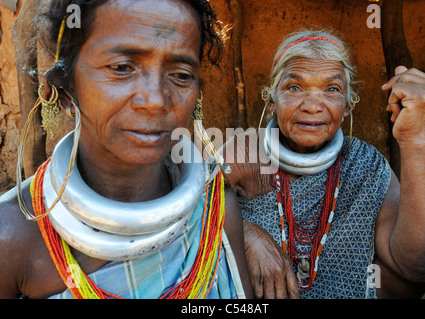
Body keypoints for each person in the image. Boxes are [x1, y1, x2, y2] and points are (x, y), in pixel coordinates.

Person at [0, 0, 252, 299]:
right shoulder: (11, 237)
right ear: (63, 90)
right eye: (121, 68)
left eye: (181, 74)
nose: (156, 99)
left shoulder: (215, 209)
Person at [221, 29, 425, 299]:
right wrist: (246, 235)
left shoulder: (366, 165)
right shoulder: (242, 153)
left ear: (348, 106)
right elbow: (189, 219)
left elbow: (419, 268)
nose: (313, 106)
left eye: (332, 89)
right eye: (294, 87)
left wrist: (417, 140)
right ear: (271, 101)